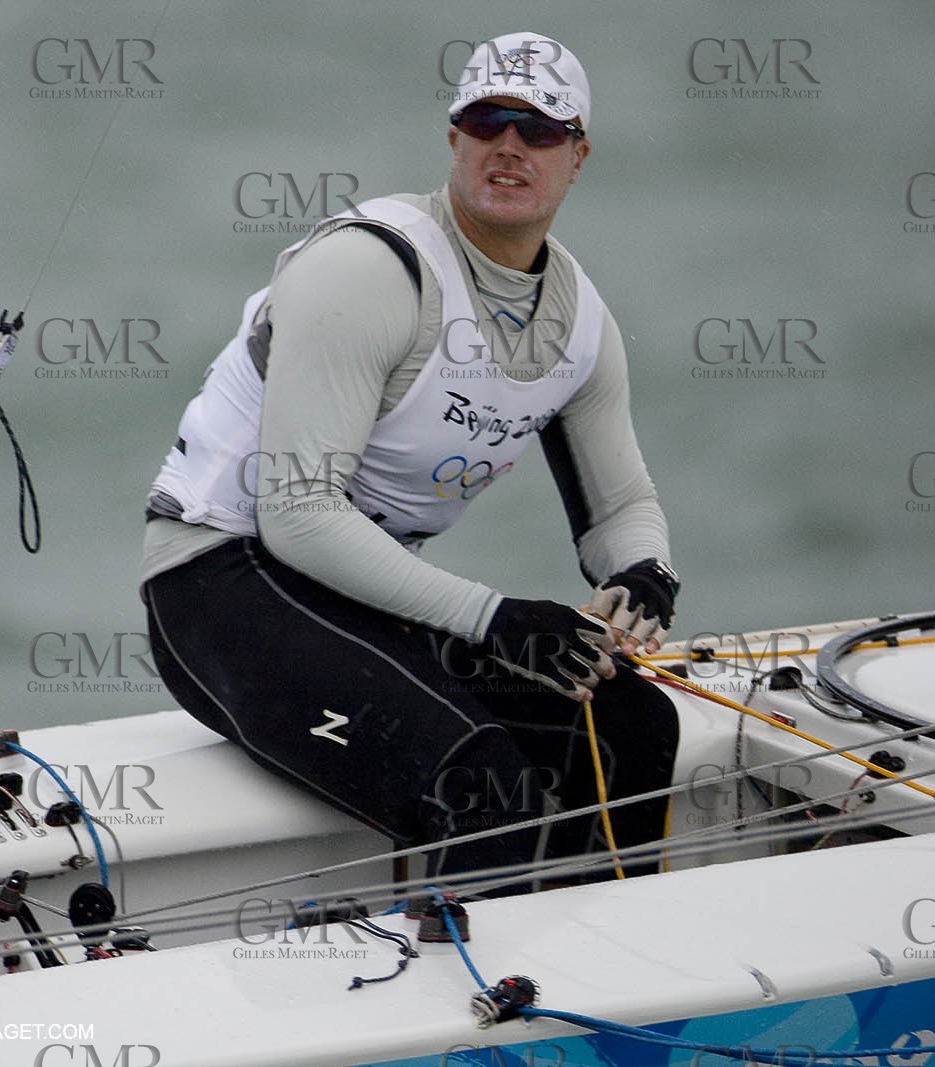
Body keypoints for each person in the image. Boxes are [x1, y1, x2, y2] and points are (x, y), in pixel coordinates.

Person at [141, 34, 682, 895]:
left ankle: (600, 985)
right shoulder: (369, 269)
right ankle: (486, 1013)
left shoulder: (581, 327)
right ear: (454, 138)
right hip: (221, 581)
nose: (509, 144)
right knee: (487, 787)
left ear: (577, 156)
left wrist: (645, 572)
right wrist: (498, 617)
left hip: (357, 595)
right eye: (486, 120)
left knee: (634, 726)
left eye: (538, 129)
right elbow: (299, 515)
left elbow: (620, 507)